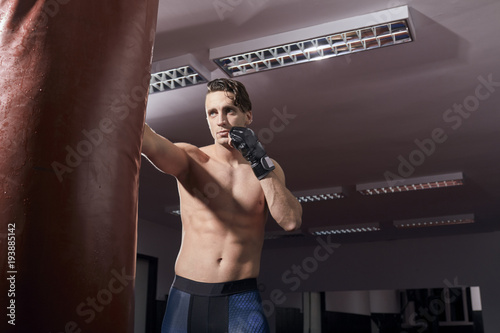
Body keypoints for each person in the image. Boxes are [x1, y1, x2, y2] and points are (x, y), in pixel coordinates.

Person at [141, 78, 302, 332]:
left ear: (248, 116)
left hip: (240, 300)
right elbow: (146, 140)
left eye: (229, 110)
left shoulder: (268, 169)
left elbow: (291, 221)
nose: (221, 120)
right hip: (187, 295)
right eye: (212, 112)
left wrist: (259, 162)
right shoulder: (192, 160)